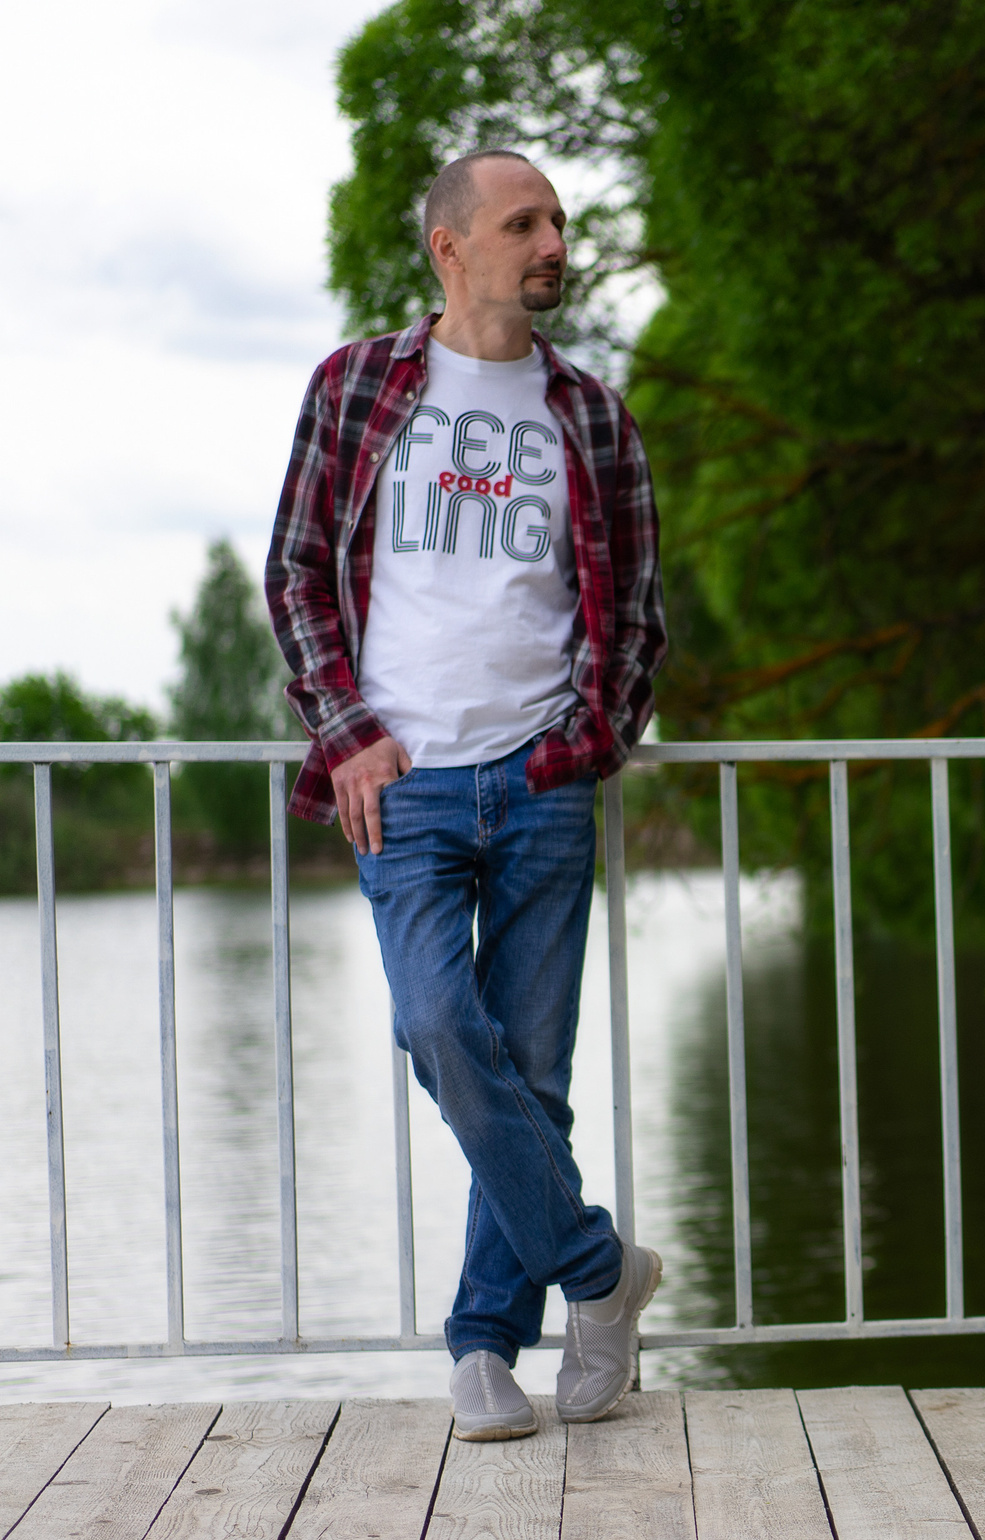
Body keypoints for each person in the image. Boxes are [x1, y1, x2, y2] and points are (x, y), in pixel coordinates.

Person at [266, 148, 666, 1442]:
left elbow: (636, 614)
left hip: (542, 778)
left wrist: (582, 743)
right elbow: (296, 573)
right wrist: (349, 734)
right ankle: (603, 1272)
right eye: (523, 222)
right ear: (451, 246)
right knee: (443, 1027)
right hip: (405, 785)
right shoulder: (361, 387)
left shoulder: (591, 414)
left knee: (533, 1077)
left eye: (556, 220)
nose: (552, 240)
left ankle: (486, 1343)